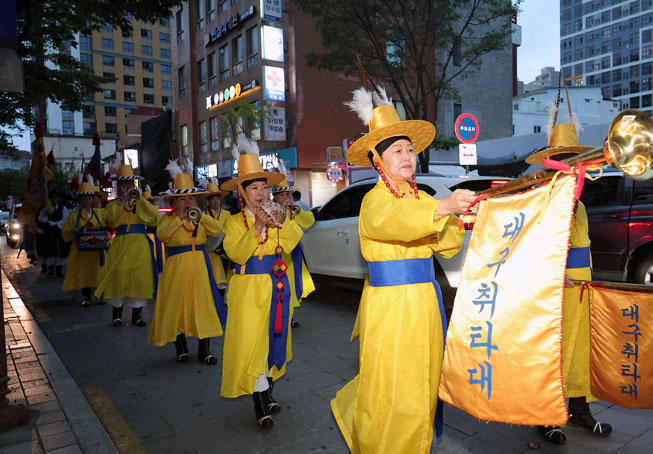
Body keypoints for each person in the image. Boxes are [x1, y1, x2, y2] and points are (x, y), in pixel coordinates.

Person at [330, 88, 475, 453]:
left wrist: (456, 216)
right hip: (392, 305)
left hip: (426, 301)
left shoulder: (420, 197)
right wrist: (441, 210)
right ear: (378, 160)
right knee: (393, 384)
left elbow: (448, 243)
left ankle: (418, 444)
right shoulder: (374, 199)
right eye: (398, 150)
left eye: (410, 149)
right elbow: (393, 222)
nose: (407, 156)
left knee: (424, 379)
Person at [525, 126, 613, 445]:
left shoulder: (582, 205)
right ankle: (545, 414)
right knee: (553, 352)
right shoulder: (543, 201)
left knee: (580, 351)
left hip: (582, 289)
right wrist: (554, 274)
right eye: (570, 164)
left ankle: (579, 407)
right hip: (553, 288)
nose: (577, 170)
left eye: (579, 164)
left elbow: (583, 247)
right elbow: (530, 248)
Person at [220, 140, 304, 430]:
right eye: (254, 189)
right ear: (242, 194)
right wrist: (257, 226)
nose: (262, 194)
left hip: (277, 287)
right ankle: (258, 403)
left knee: (274, 340)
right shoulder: (232, 222)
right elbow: (235, 253)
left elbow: (293, 240)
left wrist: (280, 222)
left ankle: (268, 392)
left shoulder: (278, 216)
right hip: (248, 291)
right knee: (253, 344)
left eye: (265, 188)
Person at [147, 163, 226, 364]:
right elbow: (162, 235)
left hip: (200, 268)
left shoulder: (201, 217)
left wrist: (201, 217)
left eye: (191, 198)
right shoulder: (168, 219)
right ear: (175, 201)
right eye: (182, 198)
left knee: (203, 308)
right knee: (177, 308)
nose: (188, 202)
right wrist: (179, 220)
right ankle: (181, 349)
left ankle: (204, 351)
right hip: (176, 269)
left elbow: (217, 230)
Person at [94, 164, 161, 327]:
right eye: (123, 184)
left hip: (140, 245)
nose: (126, 187)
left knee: (139, 278)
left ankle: (136, 315)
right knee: (119, 277)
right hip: (121, 244)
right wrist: (123, 200)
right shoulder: (113, 205)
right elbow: (110, 220)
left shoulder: (141, 202)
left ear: (134, 185)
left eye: (129, 184)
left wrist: (140, 198)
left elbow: (154, 216)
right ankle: (116, 314)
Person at [271, 178, 316, 328]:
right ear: (275, 197)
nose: (286, 198)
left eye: (288, 195)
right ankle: (279, 316)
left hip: (293, 253)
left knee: (292, 284)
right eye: (282, 195)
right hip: (278, 254)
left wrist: (297, 211)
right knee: (279, 285)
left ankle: (289, 317)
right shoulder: (270, 211)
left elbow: (309, 222)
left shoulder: (293, 210)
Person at [61, 180, 106, 307]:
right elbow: (65, 230)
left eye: (89, 198)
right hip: (81, 250)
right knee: (84, 273)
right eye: (84, 198)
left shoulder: (99, 213)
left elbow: (109, 224)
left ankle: (100, 296)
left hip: (97, 249)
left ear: (93, 199)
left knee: (100, 272)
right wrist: (72, 230)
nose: (87, 200)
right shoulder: (74, 215)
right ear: (80, 200)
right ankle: (86, 297)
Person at [201, 178, 230, 294]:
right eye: (213, 199)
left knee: (225, 275)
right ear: (208, 201)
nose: (216, 201)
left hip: (224, 250)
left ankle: (223, 300)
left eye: (218, 199)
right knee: (213, 276)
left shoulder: (227, 214)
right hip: (210, 251)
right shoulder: (204, 215)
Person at [43, 190, 71, 277]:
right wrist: (47, 221)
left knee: (61, 251)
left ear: (58, 199)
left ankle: (59, 269)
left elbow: (65, 220)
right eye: (52, 198)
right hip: (49, 233)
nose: (54, 199)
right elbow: (41, 218)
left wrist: (55, 223)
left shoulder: (63, 208)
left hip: (59, 232)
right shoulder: (46, 208)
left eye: (56, 198)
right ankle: (50, 269)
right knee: (50, 250)